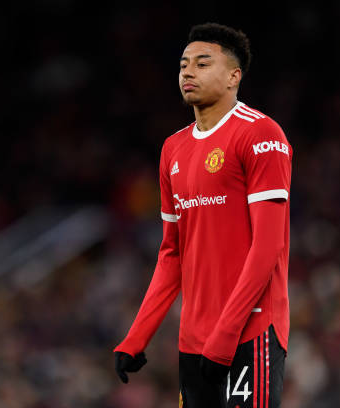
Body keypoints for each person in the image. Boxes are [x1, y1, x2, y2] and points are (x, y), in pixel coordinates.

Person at [113, 22, 292, 407]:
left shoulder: (260, 134)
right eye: (183, 65)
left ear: (233, 76)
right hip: (194, 340)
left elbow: (268, 246)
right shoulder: (172, 150)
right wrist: (136, 336)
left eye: (202, 63)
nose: (188, 72)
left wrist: (226, 336)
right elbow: (172, 254)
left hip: (250, 331)